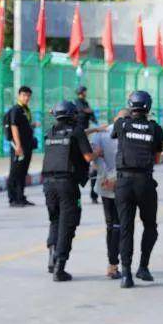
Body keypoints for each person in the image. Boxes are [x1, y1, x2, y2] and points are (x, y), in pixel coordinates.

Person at [111, 91, 163, 288]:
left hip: (123, 183)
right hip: (145, 182)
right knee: (150, 226)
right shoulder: (155, 129)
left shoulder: (122, 124)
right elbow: (157, 159)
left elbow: (115, 127)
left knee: (126, 228)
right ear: (148, 107)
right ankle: (143, 266)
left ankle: (126, 274)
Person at [41, 101, 94, 282]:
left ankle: (51, 258)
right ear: (73, 114)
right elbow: (87, 156)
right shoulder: (76, 130)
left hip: (48, 183)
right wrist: (98, 152)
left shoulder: (49, 132)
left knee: (54, 220)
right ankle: (59, 267)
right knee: (67, 224)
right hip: (67, 184)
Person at [92, 111, 125, 279]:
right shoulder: (129, 132)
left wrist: (107, 176)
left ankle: (112, 264)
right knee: (121, 226)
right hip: (123, 184)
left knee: (111, 225)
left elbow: (96, 156)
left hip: (105, 183)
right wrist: (116, 178)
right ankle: (116, 264)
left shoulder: (101, 133)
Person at [5, 86, 37, 207]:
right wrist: (18, 146)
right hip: (18, 146)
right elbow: (14, 127)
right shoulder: (16, 110)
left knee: (23, 172)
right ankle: (13, 199)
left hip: (27, 145)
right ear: (19, 96)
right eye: (24, 95)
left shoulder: (25, 109)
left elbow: (24, 125)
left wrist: (32, 125)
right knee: (15, 171)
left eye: (28, 96)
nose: (26, 98)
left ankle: (21, 197)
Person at [73, 86, 99, 203]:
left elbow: (91, 114)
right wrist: (87, 111)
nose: (85, 93)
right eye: (84, 91)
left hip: (86, 133)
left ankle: (94, 194)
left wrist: (93, 117)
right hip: (80, 134)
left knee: (92, 164)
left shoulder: (85, 102)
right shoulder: (77, 103)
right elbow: (84, 110)